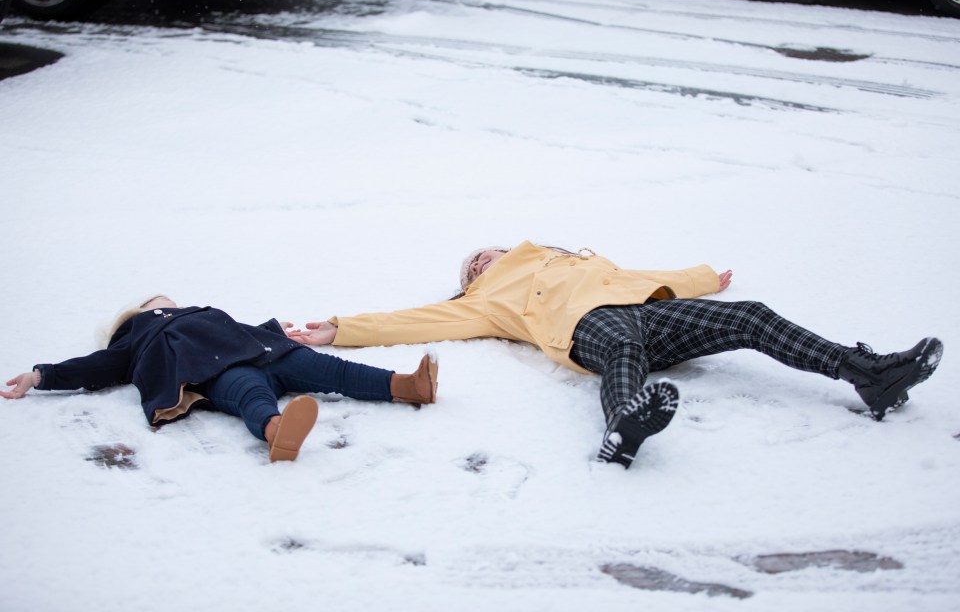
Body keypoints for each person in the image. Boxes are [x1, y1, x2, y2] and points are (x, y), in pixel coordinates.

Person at [285, 241, 943, 468]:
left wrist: (704, 279)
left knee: (749, 318)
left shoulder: (568, 256)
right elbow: (414, 320)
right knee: (621, 343)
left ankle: (871, 375)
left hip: (646, 310)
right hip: (586, 330)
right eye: (473, 264)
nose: (482, 259)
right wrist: (337, 329)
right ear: (473, 280)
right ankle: (623, 425)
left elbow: (636, 276)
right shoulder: (486, 299)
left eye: (484, 252)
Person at [2, 295, 438, 462]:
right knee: (249, 395)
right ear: (141, 313)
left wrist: (275, 331)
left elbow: (239, 328)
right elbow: (94, 366)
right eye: (159, 301)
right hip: (215, 371)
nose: (169, 301)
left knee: (330, 370)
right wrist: (41, 375)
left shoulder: (200, 312)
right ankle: (277, 431)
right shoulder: (138, 335)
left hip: (266, 351)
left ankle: (406, 385)